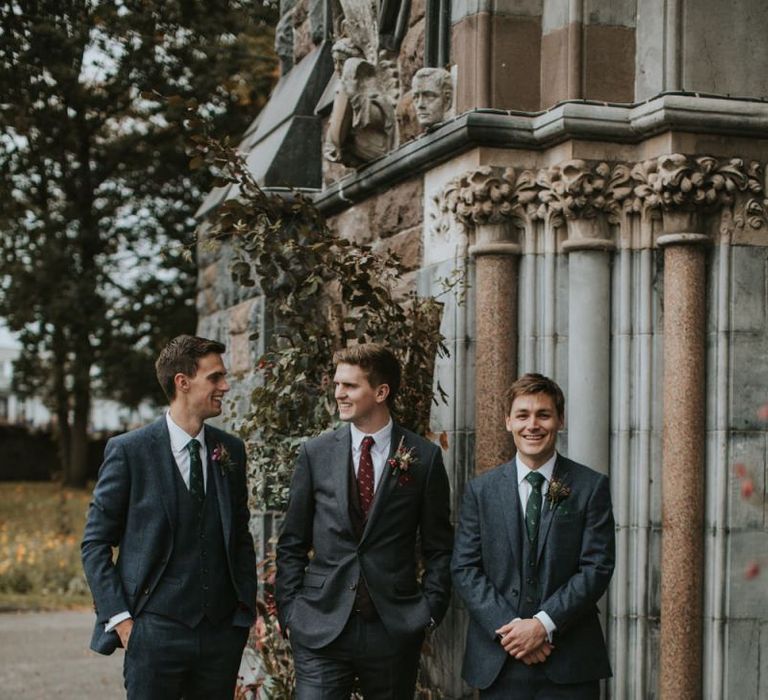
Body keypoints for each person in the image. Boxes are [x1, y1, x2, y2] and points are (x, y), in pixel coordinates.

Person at [81, 335, 257, 699]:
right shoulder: (129, 451)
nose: (225, 386)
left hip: (220, 637)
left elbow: (240, 536)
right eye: (215, 377)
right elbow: (95, 543)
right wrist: (122, 622)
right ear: (182, 381)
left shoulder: (231, 451)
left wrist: (241, 616)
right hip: (153, 633)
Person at [276, 343, 453, 699]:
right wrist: (292, 611)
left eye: (350, 386)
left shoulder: (424, 458)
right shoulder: (316, 453)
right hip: (320, 624)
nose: (338, 393)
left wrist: (427, 612)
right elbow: (292, 542)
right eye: (338, 384)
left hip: (393, 627)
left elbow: (440, 547)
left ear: (381, 391)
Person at [452, 373, 615, 699]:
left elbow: (596, 566)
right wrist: (513, 632)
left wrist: (542, 625)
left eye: (544, 414)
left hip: (569, 659)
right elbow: (465, 569)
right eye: (523, 415)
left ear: (560, 420)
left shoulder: (590, 486)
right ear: (508, 421)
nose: (533, 425)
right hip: (500, 659)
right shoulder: (481, 491)